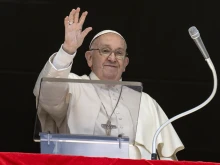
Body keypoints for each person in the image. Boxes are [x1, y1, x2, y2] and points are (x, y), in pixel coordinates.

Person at [33, 7, 184, 160]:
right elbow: (47, 96)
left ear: (125, 63)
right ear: (89, 58)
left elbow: (167, 159)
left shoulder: (146, 101)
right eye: (105, 51)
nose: (112, 58)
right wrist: (67, 50)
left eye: (119, 53)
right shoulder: (73, 86)